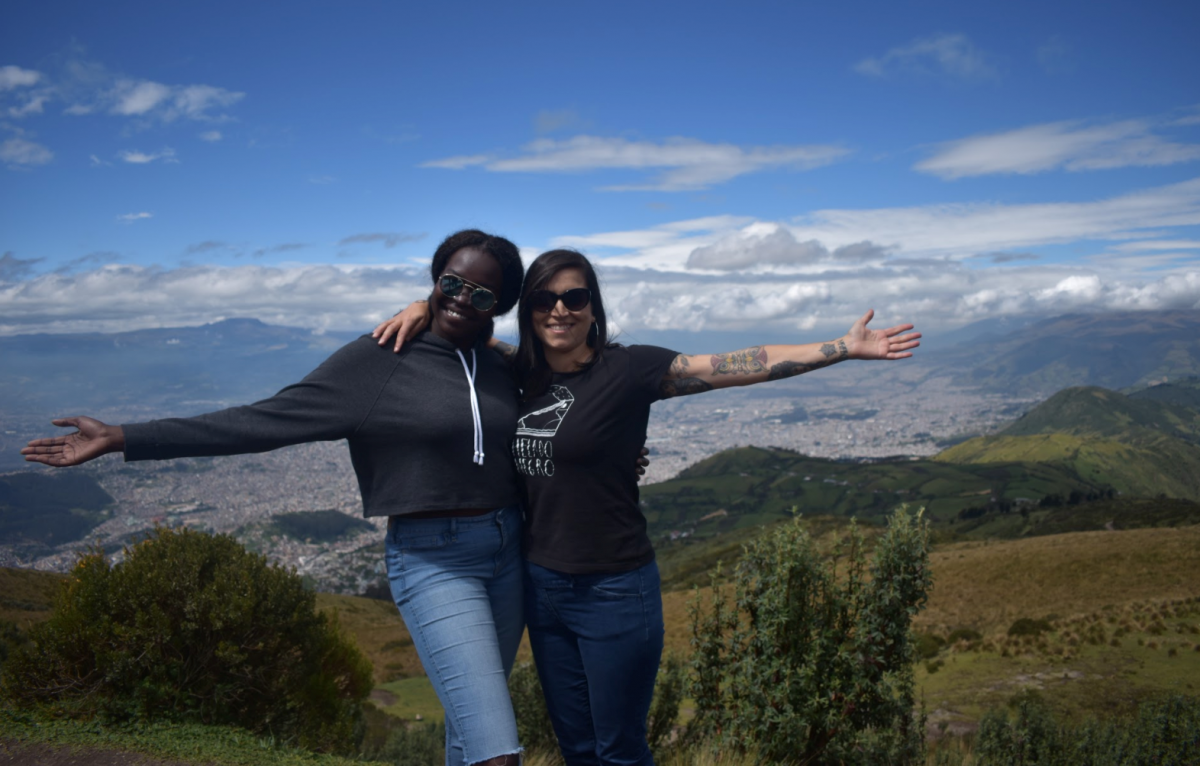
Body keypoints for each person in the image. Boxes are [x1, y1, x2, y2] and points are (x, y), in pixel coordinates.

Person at [375, 248, 921, 766]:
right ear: (530, 312)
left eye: (574, 297)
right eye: (543, 300)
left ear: (594, 308)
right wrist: (427, 305)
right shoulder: (524, 375)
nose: (559, 309)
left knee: (619, 751)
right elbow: (470, 329)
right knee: (576, 747)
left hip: (613, 587)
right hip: (541, 586)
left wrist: (840, 348)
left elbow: (740, 363)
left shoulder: (630, 370)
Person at [23, 230, 531, 766]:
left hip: (507, 551)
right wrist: (123, 437)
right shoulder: (382, 356)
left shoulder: (502, 365)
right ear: (433, 280)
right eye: (450, 283)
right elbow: (263, 421)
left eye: (480, 294)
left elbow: (569, 396)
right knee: (498, 752)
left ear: (499, 306)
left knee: (472, 726)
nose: (459, 298)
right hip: (435, 558)